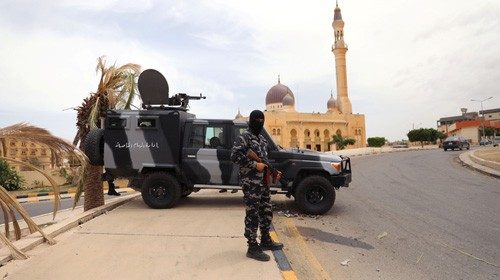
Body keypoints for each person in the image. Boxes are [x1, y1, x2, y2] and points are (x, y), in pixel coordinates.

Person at [230, 110, 283, 262]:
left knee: (266, 211)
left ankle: (265, 239)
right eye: (257, 120)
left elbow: (264, 161)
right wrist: (254, 164)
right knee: (252, 213)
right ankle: (252, 247)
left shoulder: (262, 140)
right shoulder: (244, 137)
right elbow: (234, 156)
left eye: (262, 120)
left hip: (263, 183)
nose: (260, 123)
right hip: (251, 183)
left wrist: (273, 171)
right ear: (252, 121)